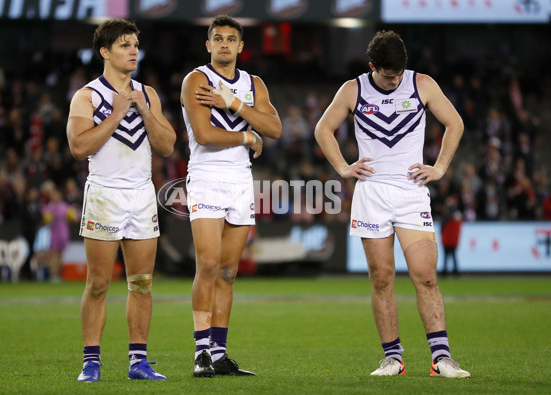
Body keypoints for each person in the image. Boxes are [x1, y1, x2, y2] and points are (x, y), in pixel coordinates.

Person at [315, 31, 470, 378]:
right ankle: (393, 359)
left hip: (411, 192)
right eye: (388, 75)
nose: (395, 80)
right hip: (372, 194)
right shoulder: (353, 89)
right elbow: (323, 129)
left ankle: (442, 358)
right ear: (373, 66)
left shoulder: (422, 85)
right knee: (382, 278)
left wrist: (440, 167)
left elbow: (455, 123)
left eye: (399, 73)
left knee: (426, 276)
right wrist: (343, 167)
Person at [66, 19, 176, 382]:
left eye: (135, 45)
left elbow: (167, 145)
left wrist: (142, 109)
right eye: (125, 45)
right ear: (105, 51)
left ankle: (138, 362)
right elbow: (79, 147)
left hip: (141, 193)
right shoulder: (87, 96)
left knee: (141, 282)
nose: (133, 51)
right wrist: (116, 113)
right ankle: (91, 362)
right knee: (98, 283)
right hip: (104, 193)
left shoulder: (148, 93)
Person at [180, 15, 282, 377]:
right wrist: (248, 137)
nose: (224, 44)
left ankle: (219, 355)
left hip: (240, 180)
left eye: (231, 39)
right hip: (207, 178)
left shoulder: (254, 84)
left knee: (227, 271)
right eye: (218, 38)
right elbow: (205, 136)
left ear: (241, 46)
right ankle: (201, 352)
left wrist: (234, 104)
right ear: (208, 45)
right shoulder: (196, 79)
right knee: (207, 265)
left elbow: (275, 128)